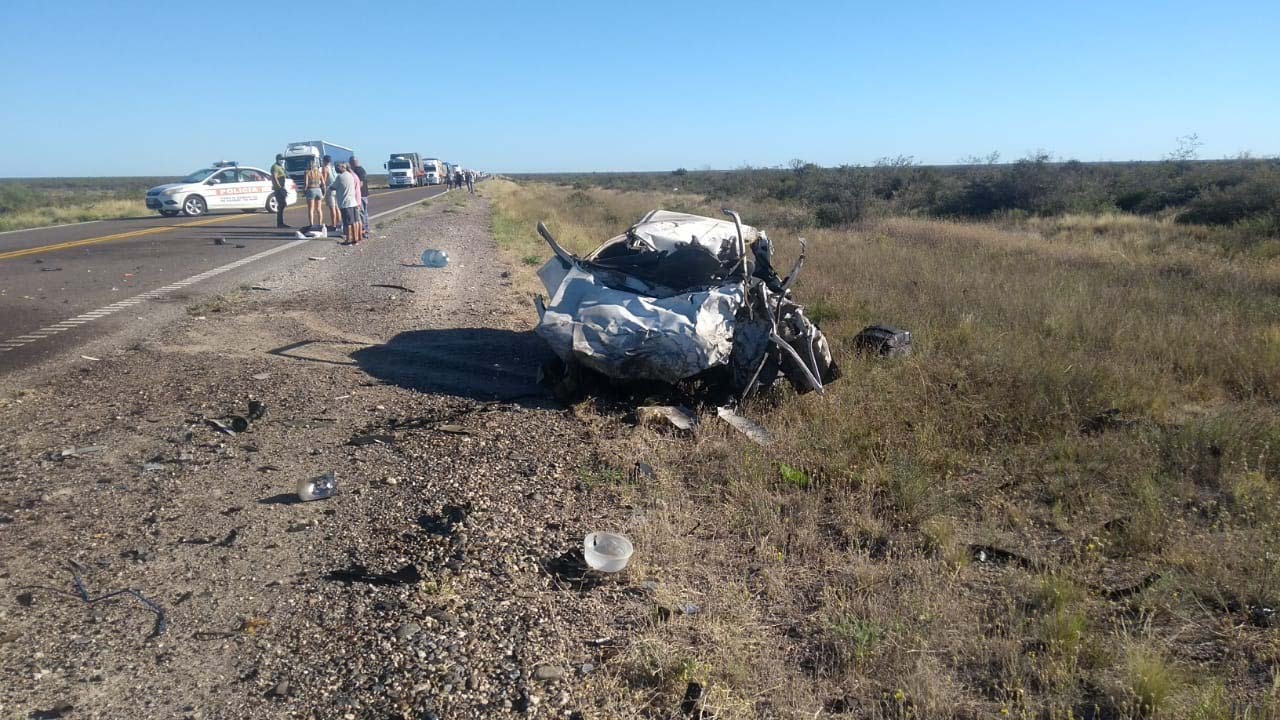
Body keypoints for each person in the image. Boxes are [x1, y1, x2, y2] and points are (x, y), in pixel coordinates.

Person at [330, 163, 362, 245]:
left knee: (347, 223)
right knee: (354, 221)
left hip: (345, 203)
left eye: (337, 167)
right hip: (353, 202)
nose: (336, 169)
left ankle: (348, 239)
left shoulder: (340, 177)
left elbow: (333, 187)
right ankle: (356, 238)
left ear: (342, 168)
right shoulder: (350, 175)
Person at [350, 156, 370, 237]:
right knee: (364, 213)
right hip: (363, 194)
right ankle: (365, 229)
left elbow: (361, 183)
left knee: (362, 213)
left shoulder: (358, 170)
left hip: (361, 195)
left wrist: (354, 191)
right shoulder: (360, 169)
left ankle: (364, 230)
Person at [303, 158, 325, 229]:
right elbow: (323, 184)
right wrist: (323, 192)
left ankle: (311, 224)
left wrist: (304, 191)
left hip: (311, 189)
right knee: (319, 209)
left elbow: (306, 184)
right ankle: (320, 224)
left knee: (311, 209)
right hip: (318, 189)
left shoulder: (307, 172)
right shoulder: (319, 173)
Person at [322, 155, 341, 232]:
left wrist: (322, 190)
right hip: (336, 188)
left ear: (324, 161)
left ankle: (333, 224)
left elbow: (324, 180)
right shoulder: (333, 168)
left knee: (332, 208)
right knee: (337, 207)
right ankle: (339, 223)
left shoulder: (325, 168)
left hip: (330, 189)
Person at [270, 154, 290, 228]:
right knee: (281, 204)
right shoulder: (275, 167)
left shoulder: (280, 167)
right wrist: (279, 187)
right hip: (278, 188)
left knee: (283, 204)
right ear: (277, 159)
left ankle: (281, 222)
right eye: (281, 159)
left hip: (282, 186)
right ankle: (280, 223)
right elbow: (274, 177)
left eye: (283, 159)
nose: (282, 160)